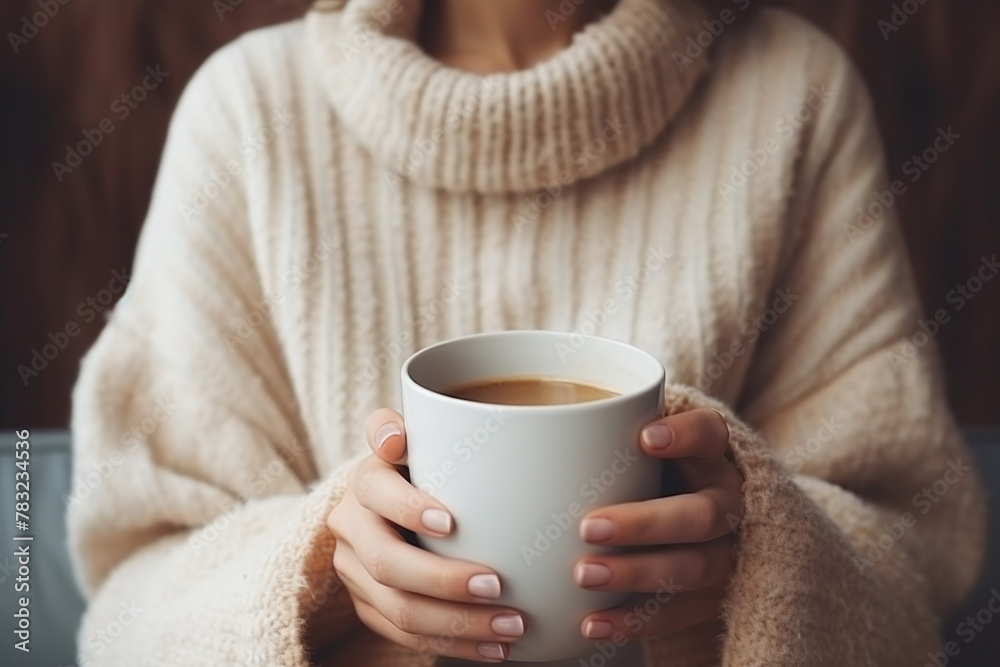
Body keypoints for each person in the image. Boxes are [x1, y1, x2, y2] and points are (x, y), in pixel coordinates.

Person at [67, 0, 985, 665]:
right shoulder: (250, 115)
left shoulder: (796, 92)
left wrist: (755, 570)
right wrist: (326, 577)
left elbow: (915, 567)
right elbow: (127, 607)